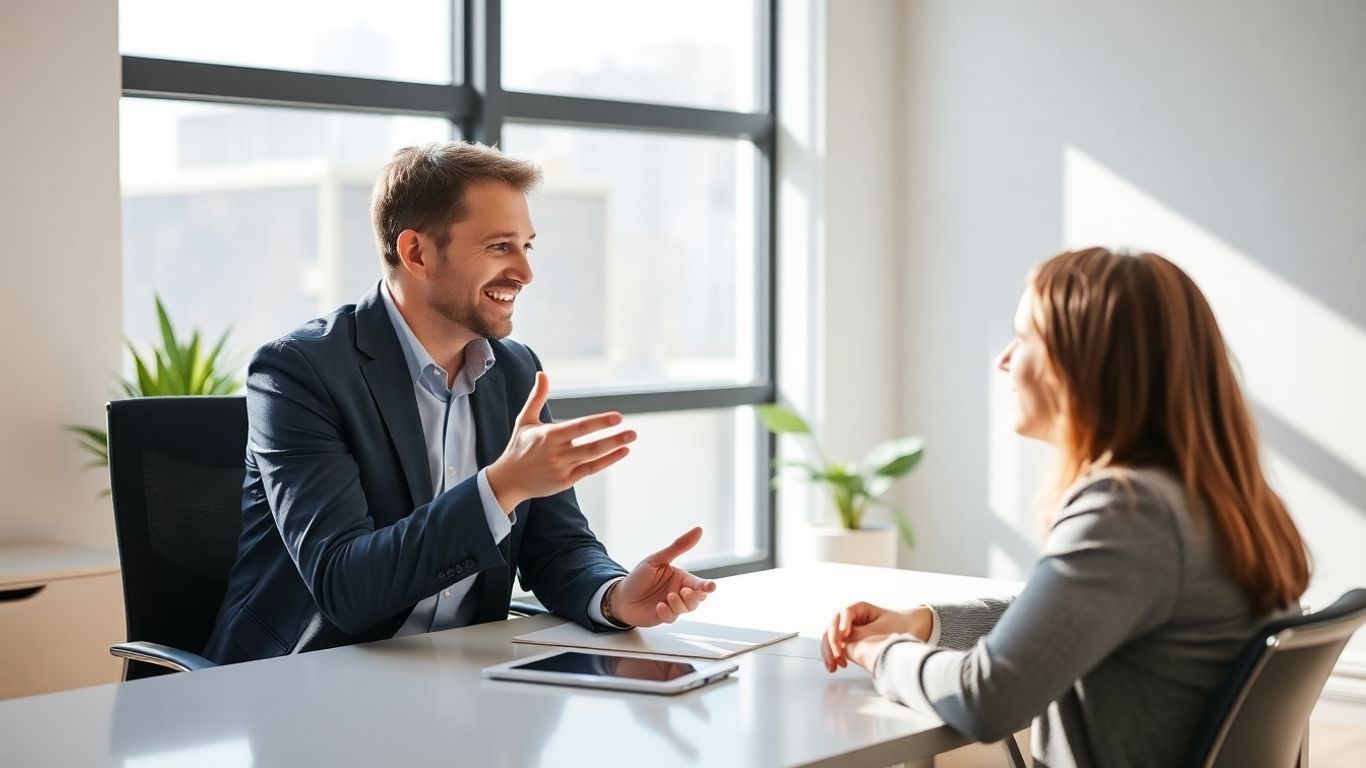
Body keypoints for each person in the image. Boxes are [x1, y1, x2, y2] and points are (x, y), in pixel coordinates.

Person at [204, 141, 716, 664]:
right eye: (499, 247)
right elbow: (344, 586)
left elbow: (557, 547)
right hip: (305, 682)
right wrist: (501, 487)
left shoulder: (515, 371)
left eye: (527, 246)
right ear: (417, 253)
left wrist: (613, 598)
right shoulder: (300, 373)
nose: (524, 271)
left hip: (463, 679)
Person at [821, 248, 1310, 767]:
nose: (1003, 359)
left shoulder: (1129, 512)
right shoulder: (1221, 501)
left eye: (1024, 339)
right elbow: (1060, 621)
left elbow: (987, 699)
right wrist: (921, 623)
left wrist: (880, 656)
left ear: (1086, 367)